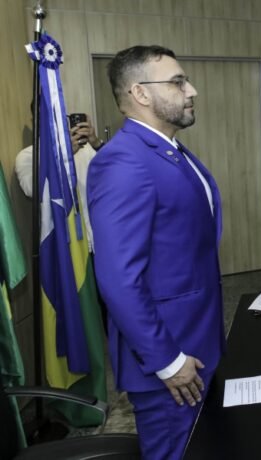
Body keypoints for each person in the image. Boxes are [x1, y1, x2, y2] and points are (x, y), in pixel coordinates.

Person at [87, 45, 225, 460]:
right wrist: (168, 361)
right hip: (170, 363)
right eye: (178, 82)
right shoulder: (124, 162)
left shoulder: (168, 150)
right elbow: (118, 279)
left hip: (198, 343)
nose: (192, 90)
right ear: (141, 93)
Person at [15, 112, 105, 251]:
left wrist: (96, 143)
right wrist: (63, 157)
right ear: (37, 120)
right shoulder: (28, 156)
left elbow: (115, 172)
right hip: (62, 245)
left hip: (97, 239)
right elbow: (32, 190)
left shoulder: (85, 148)